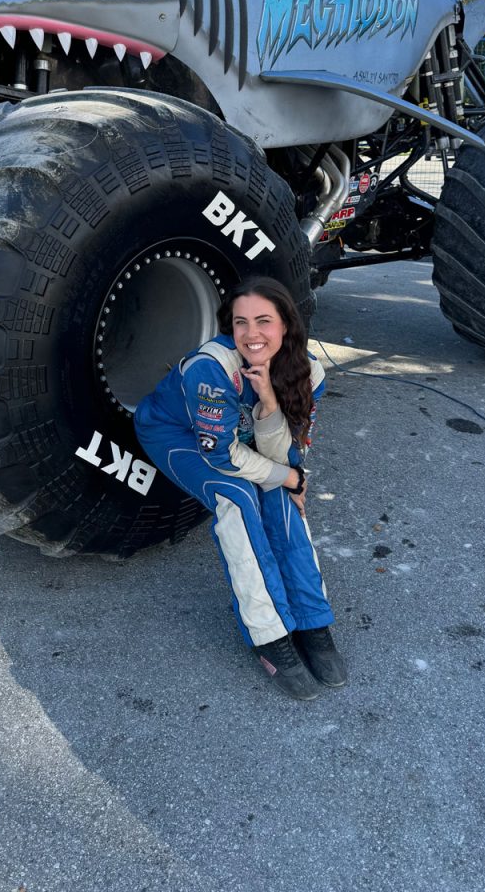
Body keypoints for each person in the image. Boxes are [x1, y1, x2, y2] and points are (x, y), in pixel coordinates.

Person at [134, 275, 346, 701]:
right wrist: (290, 477)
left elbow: (287, 455)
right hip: (177, 434)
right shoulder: (211, 371)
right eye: (240, 322)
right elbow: (223, 458)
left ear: (286, 324)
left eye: (264, 321)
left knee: (280, 494)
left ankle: (310, 618)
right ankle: (268, 633)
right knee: (239, 495)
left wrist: (268, 401)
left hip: (239, 437)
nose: (252, 334)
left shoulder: (311, 371)